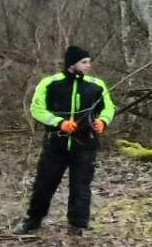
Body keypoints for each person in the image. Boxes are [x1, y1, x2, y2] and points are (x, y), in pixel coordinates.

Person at [15, 46, 116, 236]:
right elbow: (37, 109)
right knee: (44, 184)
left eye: (89, 62)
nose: (88, 66)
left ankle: (77, 226)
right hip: (56, 144)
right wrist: (59, 123)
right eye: (84, 62)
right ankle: (33, 220)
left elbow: (108, 107)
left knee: (81, 186)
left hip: (85, 144)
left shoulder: (96, 85)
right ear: (72, 63)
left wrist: (103, 121)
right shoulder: (50, 83)